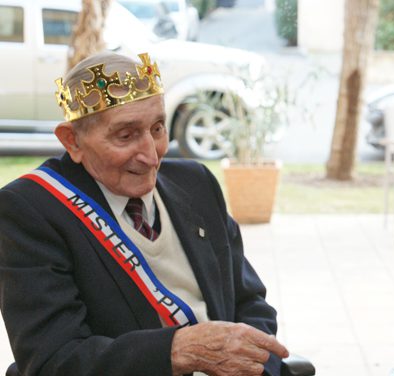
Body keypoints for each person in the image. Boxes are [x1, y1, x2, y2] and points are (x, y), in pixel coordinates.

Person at [0, 51, 289, 375]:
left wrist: (259, 365)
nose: (152, 156)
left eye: (158, 128)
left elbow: (251, 302)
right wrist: (179, 351)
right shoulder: (30, 211)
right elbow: (54, 361)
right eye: (126, 136)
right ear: (73, 141)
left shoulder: (196, 182)